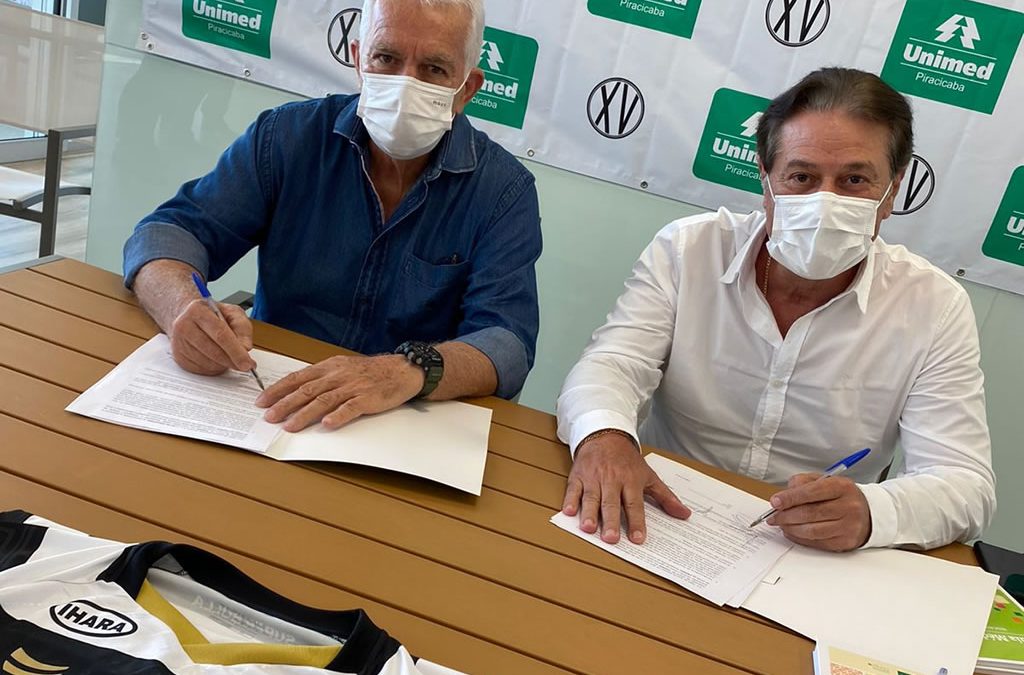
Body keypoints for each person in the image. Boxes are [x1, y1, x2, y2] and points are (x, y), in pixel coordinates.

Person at [556, 67, 995, 553]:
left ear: (891, 192)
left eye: (854, 180)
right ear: (766, 182)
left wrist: (873, 512)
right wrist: (605, 436)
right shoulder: (688, 251)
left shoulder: (934, 306)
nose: (825, 202)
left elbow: (965, 484)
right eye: (802, 177)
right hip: (661, 515)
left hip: (814, 554)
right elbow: (612, 364)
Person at [123, 0, 541, 432]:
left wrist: (406, 369)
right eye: (386, 58)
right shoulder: (287, 138)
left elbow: (507, 341)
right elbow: (167, 233)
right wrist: (182, 307)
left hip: (403, 422)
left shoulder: (504, 191)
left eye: (434, 69)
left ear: (467, 88)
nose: (405, 84)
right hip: (269, 402)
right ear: (358, 60)